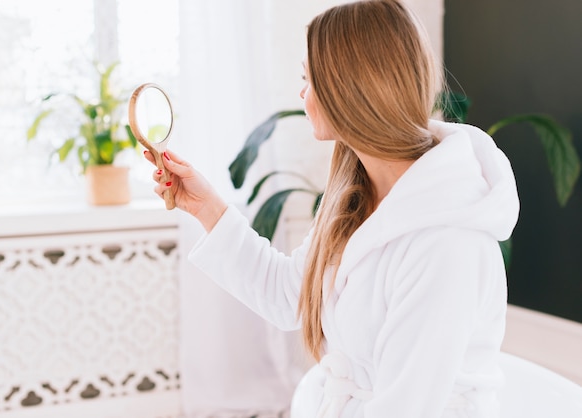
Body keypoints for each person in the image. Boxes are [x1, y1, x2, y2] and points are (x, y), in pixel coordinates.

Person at [145, 0, 519, 416]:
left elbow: (405, 408)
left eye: (309, 79)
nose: (301, 93)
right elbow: (291, 296)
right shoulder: (359, 197)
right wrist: (206, 208)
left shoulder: (447, 244)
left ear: (351, 88)